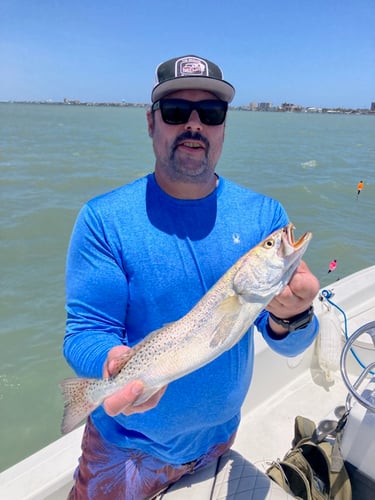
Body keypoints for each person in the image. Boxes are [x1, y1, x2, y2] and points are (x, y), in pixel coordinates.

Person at [63, 54, 320, 499]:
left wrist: (291, 317)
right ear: (150, 122)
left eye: (212, 113)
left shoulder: (265, 218)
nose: (194, 125)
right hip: (125, 448)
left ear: (224, 126)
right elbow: (84, 332)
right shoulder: (103, 220)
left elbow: (293, 342)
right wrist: (111, 365)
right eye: (176, 112)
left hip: (219, 440)